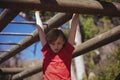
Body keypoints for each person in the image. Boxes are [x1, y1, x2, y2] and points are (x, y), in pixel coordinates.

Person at [35, 11, 79, 80]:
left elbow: (73, 28)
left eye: (59, 43)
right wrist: (37, 14)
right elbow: (40, 31)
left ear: (63, 42)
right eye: (53, 44)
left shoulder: (67, 51)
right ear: (49, 43)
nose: (56, 46)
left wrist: (76, 13)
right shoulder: (47, 51)